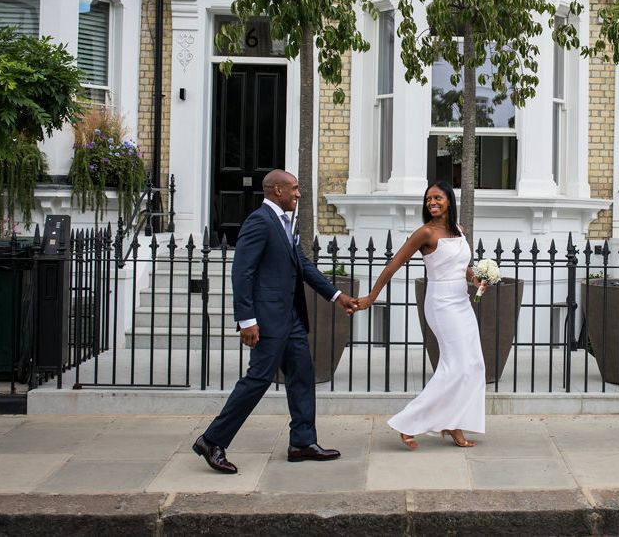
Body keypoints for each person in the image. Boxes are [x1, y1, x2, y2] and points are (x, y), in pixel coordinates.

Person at [193, 169, 358, 473]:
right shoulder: (260, 221)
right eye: (294, 189)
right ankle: (212, 440)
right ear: (277, 191)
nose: (298, 194)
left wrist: (337, 296)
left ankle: (302, 442)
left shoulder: (283, 223)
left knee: (302, 375)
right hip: (267, 320)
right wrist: (246, 320)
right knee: (257, 380)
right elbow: (242, 272)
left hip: (291, 318)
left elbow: (302, 266)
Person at [356, 181, 486, 450]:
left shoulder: (459, 231)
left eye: (437, 197)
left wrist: (476, 280)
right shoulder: (425, 233)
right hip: (441, 304)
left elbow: (462, 267)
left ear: (449, 200)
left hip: (462, 302)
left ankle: (454, 422)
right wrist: (372, 296)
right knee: (455, 366)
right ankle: (408, 422)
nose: (432, 202)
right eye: (428, 199)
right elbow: (393, 266)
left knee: (473, 365)